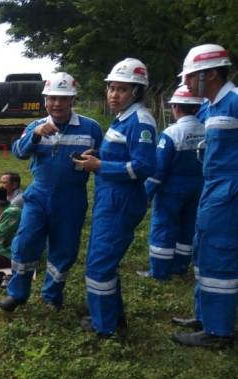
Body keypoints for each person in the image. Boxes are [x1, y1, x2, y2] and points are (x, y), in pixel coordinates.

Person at [0, 72, 103, 312]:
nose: (57, 104)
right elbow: (19, 152)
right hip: (38, 195)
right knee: (25, 243)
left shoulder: (90, 128)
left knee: (64, 249)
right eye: (52, 98)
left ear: (72, 101)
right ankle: (17, 293)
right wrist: (35, 136)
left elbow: (104, 155)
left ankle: (52, 295)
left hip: (72, 198)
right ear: (45, 101)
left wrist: (96, 158)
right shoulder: (36, 126)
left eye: (63, 99)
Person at [74, 58, 157, 337]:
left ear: (136, 92)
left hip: (121, 201)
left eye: (121, 89)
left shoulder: (140, 121)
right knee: (103, 261)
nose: (113, 94)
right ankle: (112, 317)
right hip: (109, 198)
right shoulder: (122, 118)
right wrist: (98, 156)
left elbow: (144, 166)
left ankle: (105, 328)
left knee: (99, 264)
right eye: (111, 88)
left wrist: (100, 167)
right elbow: (119, 156)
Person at [171, 44, 237, 348]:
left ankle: (219, 332)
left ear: (211, 73)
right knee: (202, 252)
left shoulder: (235, 102)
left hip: (230, 193)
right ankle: (205, 316)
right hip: (211, 189)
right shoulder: (211, 107)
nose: (186, 83)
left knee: (219, 258)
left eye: (191, 76)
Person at [138, 86, 204, 281]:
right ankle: (180, 266)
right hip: (198, 189)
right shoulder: (206, 130)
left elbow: (158, 170)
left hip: (171, 191)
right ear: (196, 108)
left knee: (164, 227)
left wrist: (146, 194)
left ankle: (159, 272)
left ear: (175, 107)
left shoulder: (171, 133)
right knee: (188, 227)